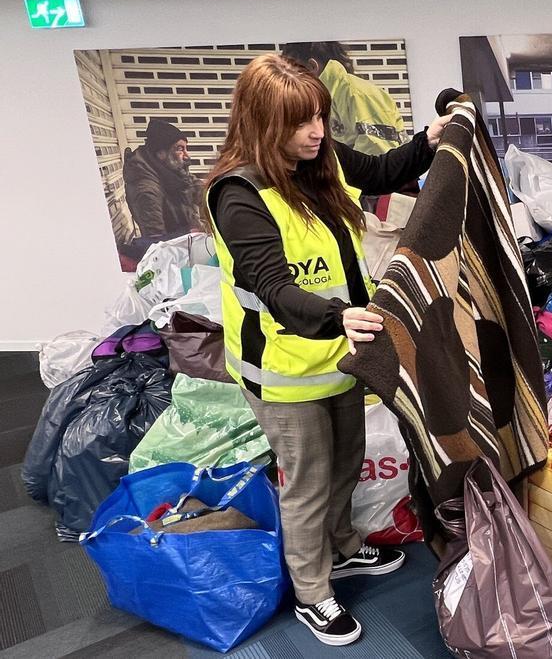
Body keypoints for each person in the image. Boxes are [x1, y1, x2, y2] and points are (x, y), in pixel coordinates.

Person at [204, 53, 451, 647]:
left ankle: (343, 548)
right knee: (308, 481)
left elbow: (386, 168)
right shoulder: (239, 195)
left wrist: (430, 139)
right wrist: (342, 316)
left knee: (345, 462)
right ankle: (314, 591)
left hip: (341, 355)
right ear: (262, 124)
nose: (317, 132)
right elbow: (276, 291)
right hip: (286, 368)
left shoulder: (321, 162)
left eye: (319, 116)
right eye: (299, 122)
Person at [279, 41, 408, 156]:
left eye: (295, 72)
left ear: (312, 67)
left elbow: (377, 154)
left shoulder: (357, 94)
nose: (291, 80)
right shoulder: (326, 97)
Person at [123, 118, 202, 249]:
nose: (187, 155)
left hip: (186, 244)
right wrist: (192, 233)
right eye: (179, 149)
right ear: (161, 153)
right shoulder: (146, 190)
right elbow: (156, 243)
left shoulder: (170, 171)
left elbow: (197, 188)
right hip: (175, 255)